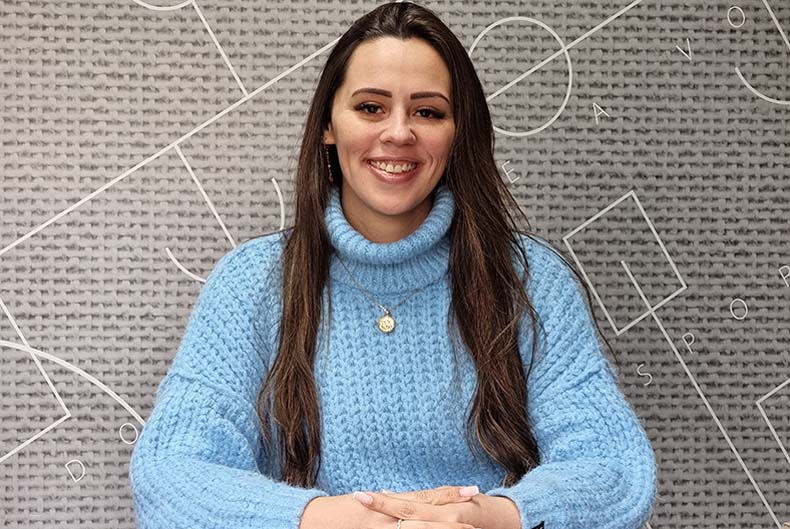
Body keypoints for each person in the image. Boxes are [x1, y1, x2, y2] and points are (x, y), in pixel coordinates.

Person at [128, 2, 657, 529]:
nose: (399, 132)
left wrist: (495, 516)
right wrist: (321, 519)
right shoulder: (253, 282)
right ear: (328, 126)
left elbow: (613, 468)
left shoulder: (530, 280)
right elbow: (170, 473)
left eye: (428, 112)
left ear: (458, 132)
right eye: (371, 107)